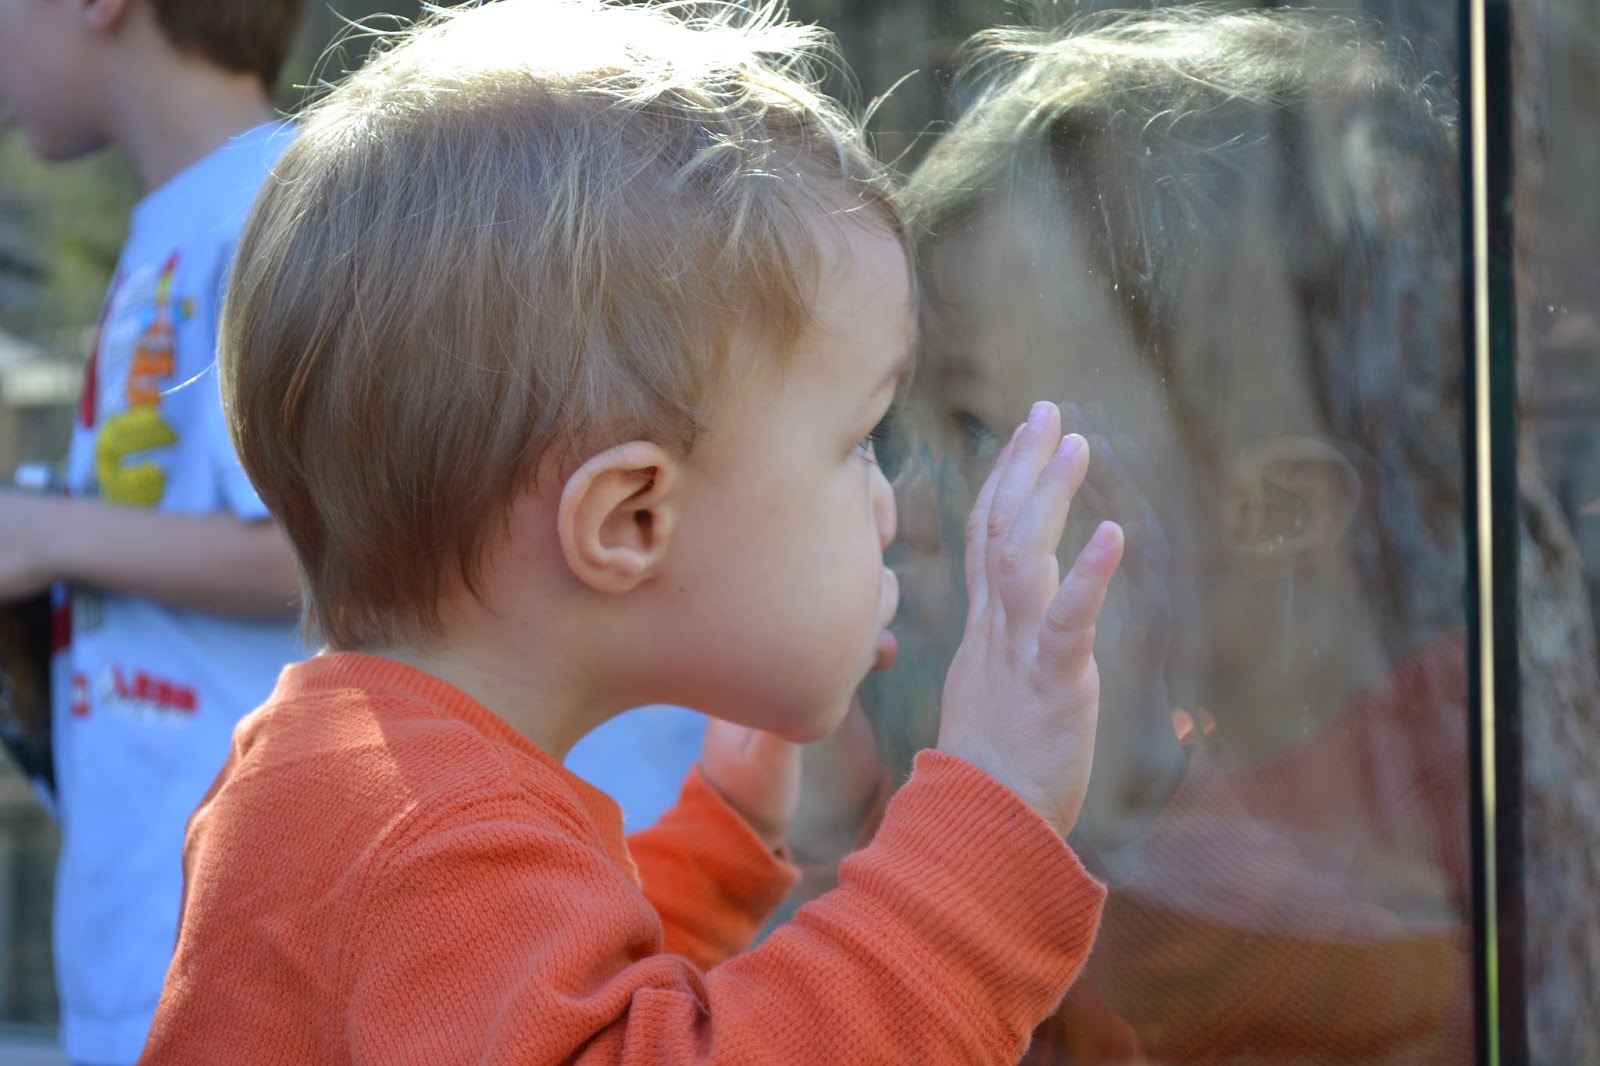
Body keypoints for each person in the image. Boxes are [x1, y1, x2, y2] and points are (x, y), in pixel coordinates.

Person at [138, 1, 1131, 1061]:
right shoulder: (429, 840)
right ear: (629, 519)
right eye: (855, 442)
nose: (894, 500)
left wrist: (717, 845)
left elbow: (533, 1017)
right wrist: (987, 828)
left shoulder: (359, 788)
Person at [884, 10, 1471, 1063]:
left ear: (1273, 510)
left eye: (969, 427)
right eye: (896, 428)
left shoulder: (1445, 773)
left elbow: (1385, 1000)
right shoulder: (970, 739)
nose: (905, 503)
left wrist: (1131, 803)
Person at [0, 1, 307, 1062]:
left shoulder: (281, 205)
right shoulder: (178, 220)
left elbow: (328, 549)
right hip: (147, 929)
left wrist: (44, 535)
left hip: (246, 946)